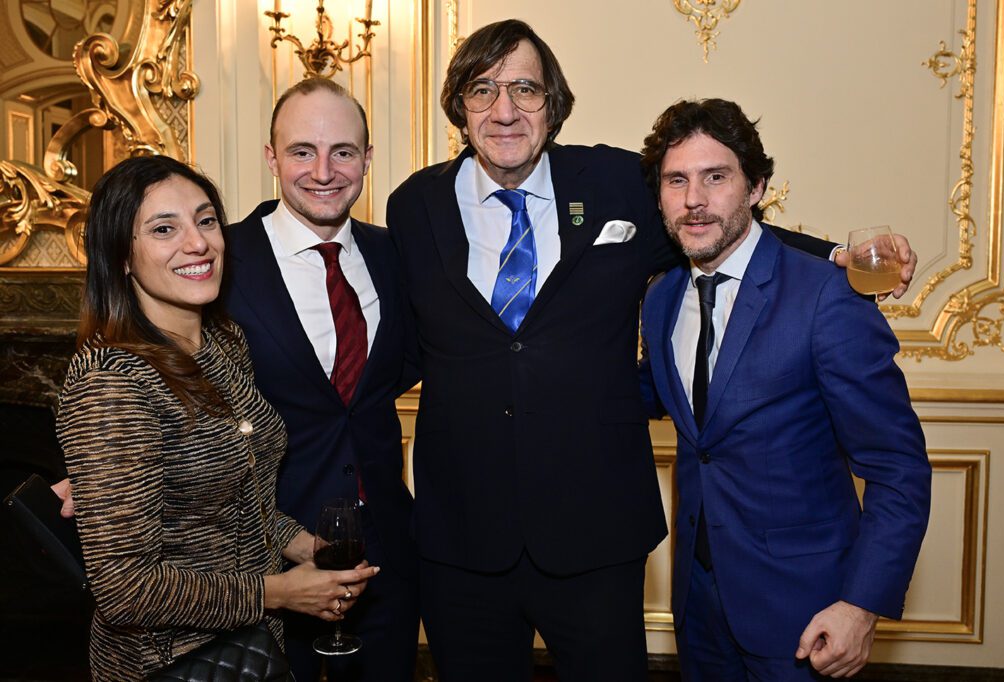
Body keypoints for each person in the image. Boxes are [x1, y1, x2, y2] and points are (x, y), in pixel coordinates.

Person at [386, 18, 916, 682]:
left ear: (552, 103)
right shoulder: (415, 206)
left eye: (525, 88)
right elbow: (396, 337)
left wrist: (837, 255)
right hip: (461, 537)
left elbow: (720, 222)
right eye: (482, 88)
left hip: (598, 532)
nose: (505, 110)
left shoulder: (615, 181)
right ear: (459, 106)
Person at [637, 98, 931, 680]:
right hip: (699, 609)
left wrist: (860, 606)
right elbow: (672, 406)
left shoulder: (828, 295)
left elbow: (898, 467)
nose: (694, 199)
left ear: (756, 188)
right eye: (677, 180)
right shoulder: (662, 297)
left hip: (807, 611)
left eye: (715, 177)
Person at [55, 155, 377, 681]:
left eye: (206, 221)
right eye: (164, 229)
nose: (198, 243)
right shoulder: (112, 381)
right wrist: (276, 592)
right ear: (121, 257)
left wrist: (304, 546)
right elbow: (123, 587)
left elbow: (239, 497)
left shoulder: (223, 343)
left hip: (252, 649)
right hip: (168, 662)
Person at [222, 78, 419, 681]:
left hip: (385, 551)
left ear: (367, 158)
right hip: (267, 550)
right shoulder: (220, 261)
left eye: (344, 152)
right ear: (271, 157)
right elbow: (164, 373)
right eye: (302, 151)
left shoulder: (397, 256)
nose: (324, 172)